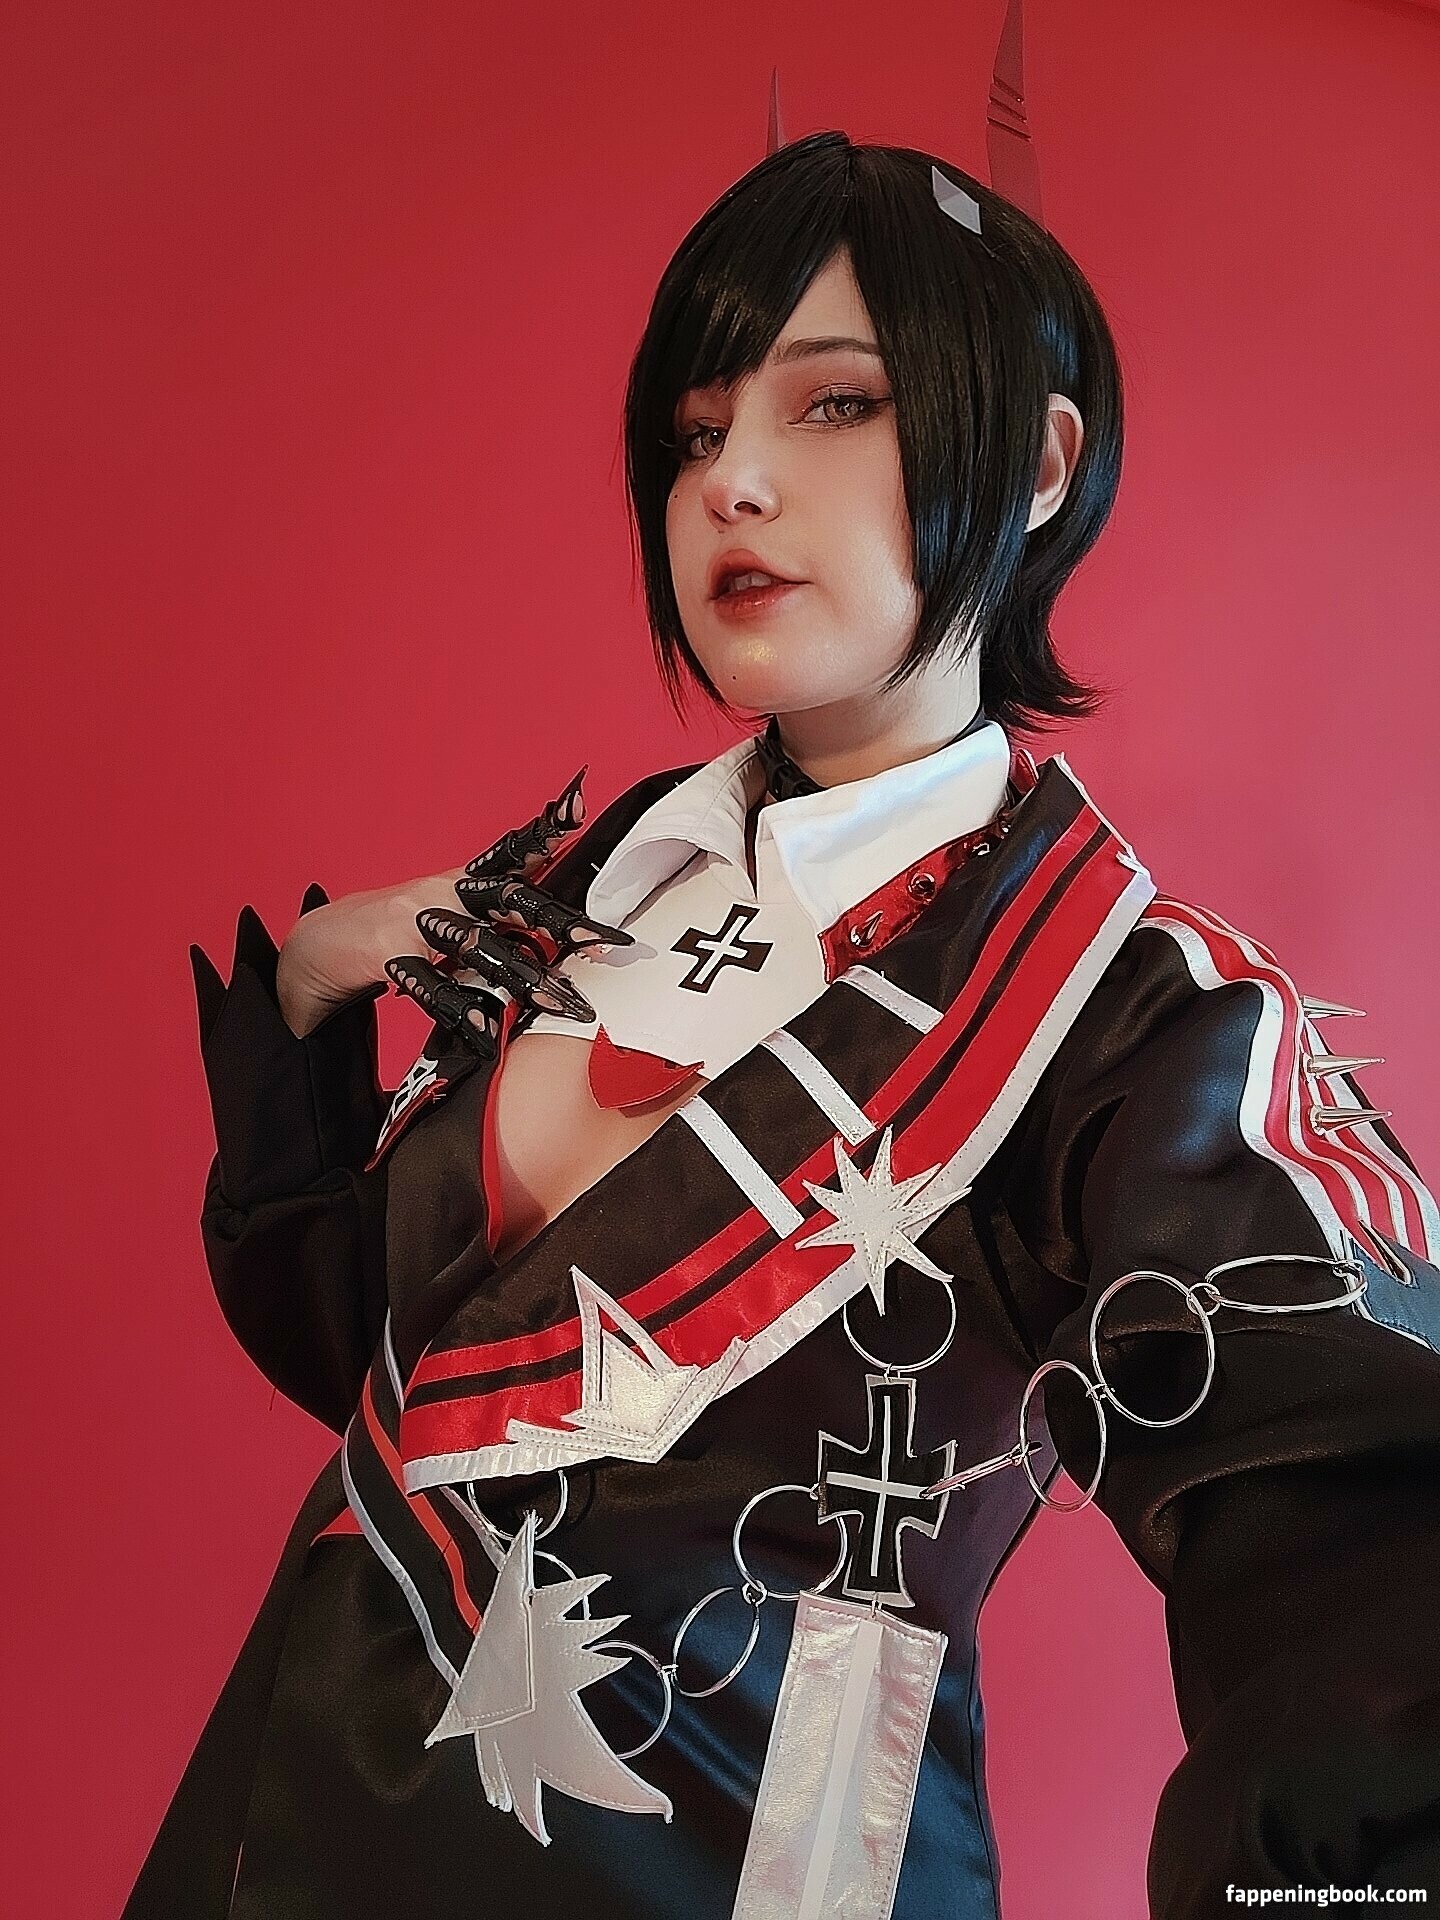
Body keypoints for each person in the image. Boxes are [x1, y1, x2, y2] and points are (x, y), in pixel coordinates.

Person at [122, 133, 1440, 1920]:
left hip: (727, 1865)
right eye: (692, 432)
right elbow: (413, 1371)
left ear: (1039, 464)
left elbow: (1365, 1549)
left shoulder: (1133, 1015)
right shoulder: (591, 880)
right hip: (279, 1827)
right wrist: (312, 992)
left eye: (835, 404)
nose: (731, 481)